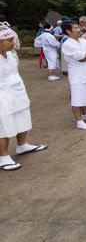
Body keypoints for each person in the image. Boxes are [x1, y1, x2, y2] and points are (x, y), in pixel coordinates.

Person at [0, 28, 47, 171]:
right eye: (9, 40)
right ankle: (3, 156)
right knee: (3, 126)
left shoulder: (12, 55)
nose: (13, 42)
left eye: (12, 39)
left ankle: (22, 145)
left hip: (17, 92)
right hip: (3, 96)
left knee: (22, 118)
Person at [61, 20, 86, 130]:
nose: (79, 30)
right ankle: (79, 121)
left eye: (78, 27)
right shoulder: (67, 44)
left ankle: (85, 114)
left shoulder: (82, 41)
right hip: (77, 74)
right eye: (75, 28)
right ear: (68, 31)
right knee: (77, 97)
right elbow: (80, 56)